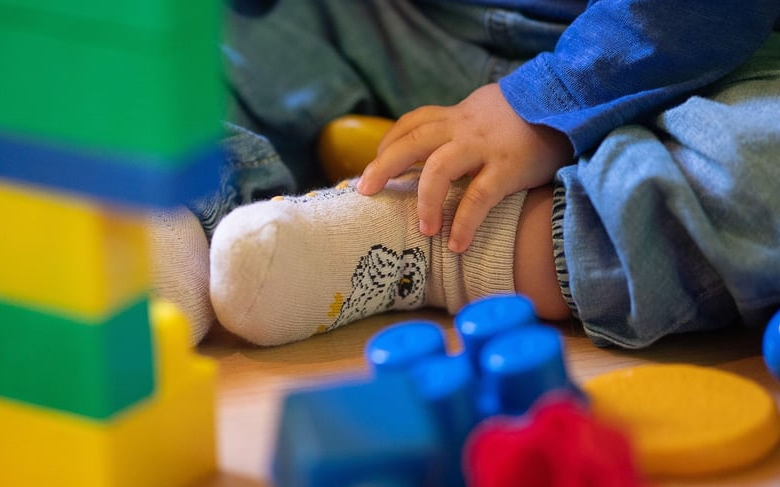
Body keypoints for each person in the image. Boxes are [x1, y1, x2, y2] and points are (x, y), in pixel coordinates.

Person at [151, 0, 780, 348]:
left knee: (760, 169)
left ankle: (424, 245)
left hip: (684, 62)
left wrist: (553, 95)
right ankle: (179, 216)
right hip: (399, 22)